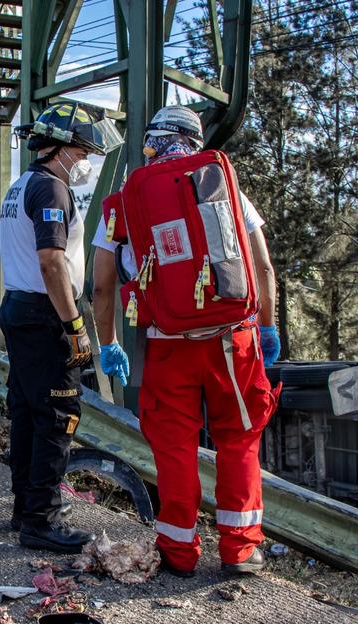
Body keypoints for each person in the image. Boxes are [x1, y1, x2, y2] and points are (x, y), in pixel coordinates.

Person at [91, 104, 281, 575]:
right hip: (232, 339)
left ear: (152, 139)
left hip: (167, 340)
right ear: (196, 140)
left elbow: (100, 284)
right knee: (238, 439)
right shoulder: (224, 185)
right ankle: (239, 551)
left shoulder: (123, 200)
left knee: (173, 445)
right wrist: (269, 326)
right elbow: (262, 268)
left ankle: (179, 551)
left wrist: (109, 341)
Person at [0, 101, 122, 553]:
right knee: (57, 416)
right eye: (84, 152)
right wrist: (74, 325)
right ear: (63, 149)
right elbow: (52, 263)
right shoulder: (52, 190)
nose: (87, 162)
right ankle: (42, 520)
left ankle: (27, 508)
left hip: (18, 307)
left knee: (28, 413)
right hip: (44, 314)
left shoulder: (21, 185)